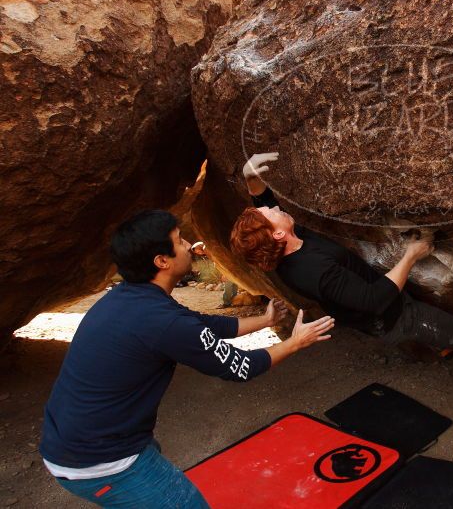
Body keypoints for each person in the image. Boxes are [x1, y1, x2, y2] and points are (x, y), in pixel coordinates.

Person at [39, 210, 335, 508]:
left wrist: (265, 320)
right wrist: (296, 343)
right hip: (100, 460)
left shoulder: (128, 298)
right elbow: (240, 367)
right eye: (180, 241)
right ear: (162, 261)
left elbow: (203, 325)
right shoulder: (160, 321)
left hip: (73, 439)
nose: (189, 244)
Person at [230, 153, 453, 394]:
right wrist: (411, 255)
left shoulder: (287, 245)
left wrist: (251, 177)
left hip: (381, 306)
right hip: (394, 317)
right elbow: (375, 299)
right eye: (272, 214)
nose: (275, 208)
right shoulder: (311, 270)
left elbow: (264, 205)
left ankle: (440, 344)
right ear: (277, 234)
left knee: (437, 325)